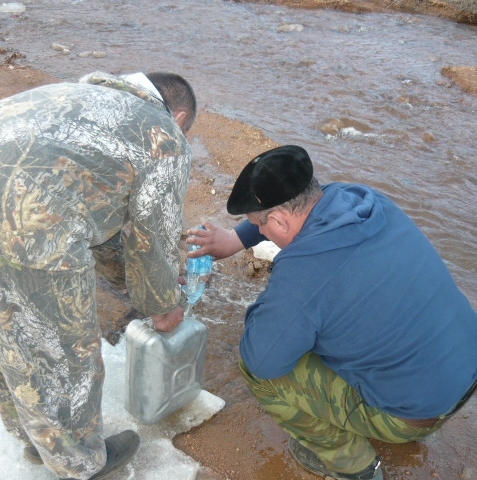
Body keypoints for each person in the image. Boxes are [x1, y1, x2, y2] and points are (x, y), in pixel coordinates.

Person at [0, 71, 196, 480]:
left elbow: (100, 204)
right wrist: (164, 305)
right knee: (66, 351)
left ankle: (32, 441)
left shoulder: (79, 96)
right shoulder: (163, 134)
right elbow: (153, 237)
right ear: (180, 117)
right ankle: (80, 464)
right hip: (14, 219)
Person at [187, 145, 477, 479]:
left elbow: (262, 361)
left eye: (257, 225)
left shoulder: (304, 274)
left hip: (415, 414)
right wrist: (237, 238)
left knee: (260, 370)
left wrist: (276, 304)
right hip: (464, 371)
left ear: (279, 220)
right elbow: (297, 215)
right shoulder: (360, 199)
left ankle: (355, 467)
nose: (259, 232)